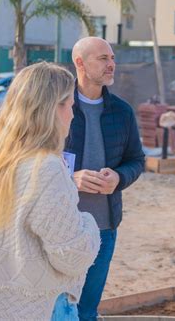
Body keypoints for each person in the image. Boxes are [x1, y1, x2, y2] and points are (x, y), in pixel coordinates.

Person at [0, 62, 100, 320]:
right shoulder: (46, 167)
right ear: (52, 108)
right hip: (41, 307)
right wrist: (90, 224)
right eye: (70, 105)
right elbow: (71, 257)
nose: (73, 115)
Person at [64, 37, 145, 321]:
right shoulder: (59, 106)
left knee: (87, 311)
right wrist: (70, 178)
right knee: (58, 307)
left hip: (104, 228)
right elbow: (33, 159)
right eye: (102, 58)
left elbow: (136, 159)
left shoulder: (122, 111)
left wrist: (119, 178)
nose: (111, 64)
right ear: (80, 63)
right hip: (61, 226)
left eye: (112, 58)